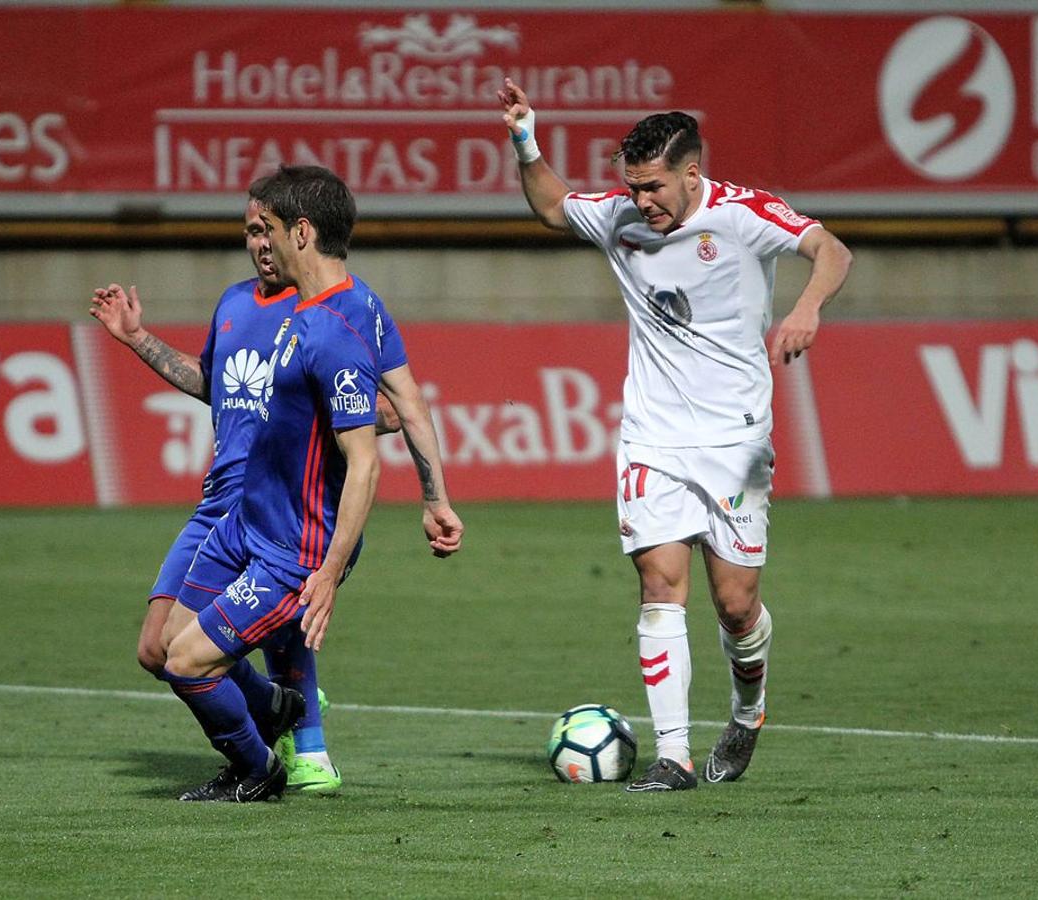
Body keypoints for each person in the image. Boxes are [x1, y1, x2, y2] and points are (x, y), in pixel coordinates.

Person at [499, 79, 852, 791]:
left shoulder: (746, 214)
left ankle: (748, 713)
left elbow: (832, 249)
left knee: (735, 604)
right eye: (632, 188)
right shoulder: (623, 220)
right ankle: (673, 756)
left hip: (736, 441)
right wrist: (525, 136)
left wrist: (807, 307)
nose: (643, 202)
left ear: (693, 173)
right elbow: (549, 204)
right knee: (660, 584)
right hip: (651, 437)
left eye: (655, 187)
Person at [90, 177, 462, 798]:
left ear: (301, 233)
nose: (262, 241)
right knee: (164, 649)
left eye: (272, 227)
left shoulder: (334, 326)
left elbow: (379, 435)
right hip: (238, 517)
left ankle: (271, 763)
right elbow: (225, 384)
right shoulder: (263, 308)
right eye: (251, 229)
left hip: (294, 538)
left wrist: (337, 563)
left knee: (190, 659)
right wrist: (437, 499)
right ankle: (274, 712)